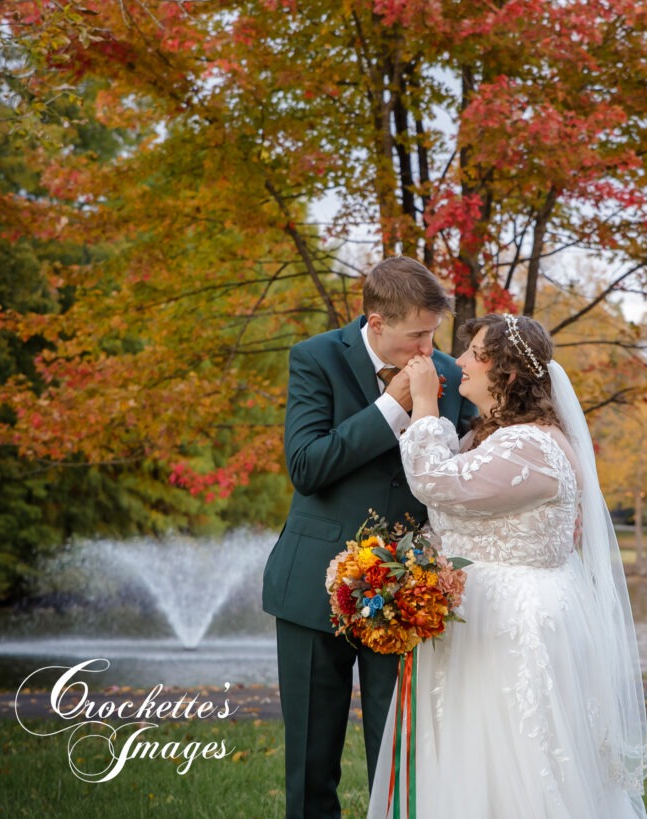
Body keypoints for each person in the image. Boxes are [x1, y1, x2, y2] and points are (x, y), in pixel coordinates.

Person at [368, 313, 647, 819]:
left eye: (475, 354)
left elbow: (434, 482)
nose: (459, 362)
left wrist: (426, 403)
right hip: (482, 616)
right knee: (471, 758)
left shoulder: (529, 446)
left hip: (513, 624)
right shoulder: (494, 438)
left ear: (509, 374)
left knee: (515, 762)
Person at [262, 257, 476, 819]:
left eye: (434, 334)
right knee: (310, 761)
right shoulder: (316, 358)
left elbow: (476, 460)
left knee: (399, 755)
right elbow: (307, 466)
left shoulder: (447, 372)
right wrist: (391, 406)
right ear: (377, 323)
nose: (428, 349)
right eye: (417, 336)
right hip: (314, 586)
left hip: (409, 591)